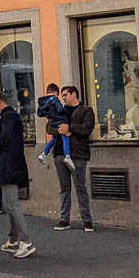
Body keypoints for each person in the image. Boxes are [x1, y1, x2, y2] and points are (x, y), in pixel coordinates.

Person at [0, 92, 34, 259]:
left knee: (13, 205)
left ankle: (25, 241)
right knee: (9, 205)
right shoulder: (12, 116)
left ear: (0, 103)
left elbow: (4, 138)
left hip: (8, 167)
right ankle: (14, 239)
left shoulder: (8, 117)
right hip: (12, 166)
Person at [53, 85, 96, 232]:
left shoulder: (86, 110)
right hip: (60, 153)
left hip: (77, 154)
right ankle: (64, 219)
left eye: (65, 95)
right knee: (64, 188)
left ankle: (87, 220)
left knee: (80, 187)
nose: (63, 98)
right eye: (62, 95)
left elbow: (87, 128)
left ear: (74, 94)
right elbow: (49, 128)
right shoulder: (60, 111)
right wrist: (60, 129)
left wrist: (70, 127)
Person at [36, 83, 74, 169]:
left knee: (52, 139)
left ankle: (43, 153)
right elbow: (60, 110)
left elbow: (40, 114)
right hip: (60, 122)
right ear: (57, 93)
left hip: (53, 122)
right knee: (65, 137)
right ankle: (67, 156)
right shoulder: (55, 100)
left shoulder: (43, 103)